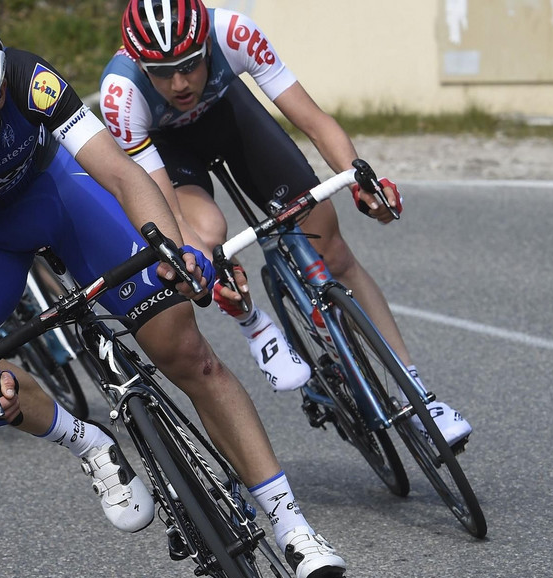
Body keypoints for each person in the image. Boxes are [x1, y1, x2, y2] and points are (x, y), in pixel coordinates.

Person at [0, 11, 347, 578]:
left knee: (187, 352)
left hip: (54, 195)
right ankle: (87, 442)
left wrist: (166, 241)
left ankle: (293, 528)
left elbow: (119, 173)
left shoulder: (28, 80)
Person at [101, 0, 471, 448]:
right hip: (170, 154)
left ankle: (419, 396)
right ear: (138, 62)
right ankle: (253, 322)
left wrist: (361, 178)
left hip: (230, 118)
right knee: (209, 232)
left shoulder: (233, 32)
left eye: (191, 64)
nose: (179, 83)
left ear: (206, 45)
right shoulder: (121, 95)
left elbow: (314, 121)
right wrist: (206, 267)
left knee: (332, 250)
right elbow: (170, 215)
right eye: (162, 71)